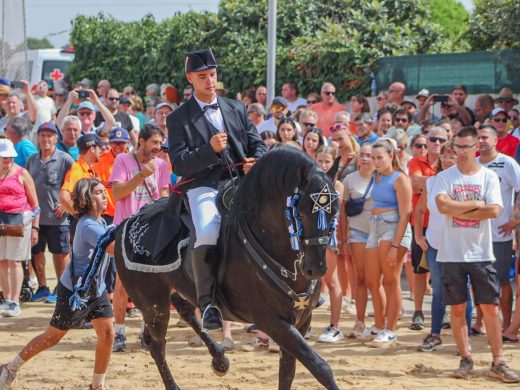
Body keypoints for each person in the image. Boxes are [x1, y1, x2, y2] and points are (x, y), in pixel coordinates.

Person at [167, 48, 267, 330]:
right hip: (204, 185)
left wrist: (255, 160)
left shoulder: (236, 107)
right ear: (190, 78)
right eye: (202, 77)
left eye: (212, 75)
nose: (210, 81)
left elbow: (256, 143)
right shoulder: (178, 118)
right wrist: (208, 150)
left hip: (240, 181)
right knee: (209, 231)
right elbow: (178, 163)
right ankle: (208, 302)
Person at [0, 178, 116, 390]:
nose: (104, 197)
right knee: (52, 337)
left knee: (108, 334)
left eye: (103, 192)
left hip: (95, 290)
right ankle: (10, 368)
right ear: (87, 199)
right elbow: (113, 249)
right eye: (99, 193)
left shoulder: (100, 222)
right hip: (75, 291)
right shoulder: (89, 225)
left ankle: (97, 385)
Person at [432, 126, 518, 383]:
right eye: (457, 146)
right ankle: (465, 357)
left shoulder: (488, 176)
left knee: (490, 308)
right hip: (451, 253)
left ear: (475, 147)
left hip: (480, 252)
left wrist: (459, 210)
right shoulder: (445, 176)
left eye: (465, 146)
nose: (460, 151)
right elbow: (442, 206)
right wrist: (475, 204)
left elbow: (493, 211)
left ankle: (498, 361)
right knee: (458, 309)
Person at [109, 124, 171, 352]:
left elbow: (164, 194)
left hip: (151, 232)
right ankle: (119, 333)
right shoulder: (123, 161)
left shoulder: (162, 165)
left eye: (160, 143)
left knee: (153, 285)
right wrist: (142, 175)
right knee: (123, 284)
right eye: (154, 142)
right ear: (141, 141)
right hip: (125, 230)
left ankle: (147, 332)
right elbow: (117, 193)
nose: (158, 147)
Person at [415, 142, 473, 352]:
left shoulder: (469, 182)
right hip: (435, 244)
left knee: (463, 291)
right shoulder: (432, 182)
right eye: (445, 156)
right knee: (438, 291)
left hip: (461, 246)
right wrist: (419, 235)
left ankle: (464, 341)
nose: (448, 160)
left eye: (452, 156)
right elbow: (420, 210)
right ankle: (435, 334)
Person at [360, 138, 412, 346]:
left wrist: (395, 245)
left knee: (391, 281)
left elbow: (406, 213)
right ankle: (379, 326)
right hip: (375, 227)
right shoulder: (377, 177)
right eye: (373, 157)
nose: (376, 161)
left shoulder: (400, 179)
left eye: (380, 157)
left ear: (392, 156)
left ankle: (390, 329)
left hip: (394, 228)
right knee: (372, 280)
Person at [476, 125, 520, 331]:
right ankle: (480, 322)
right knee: (477, 280)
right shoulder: (473, 164)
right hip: (475, 233)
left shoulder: (507, 163)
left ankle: (508, 325)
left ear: (495, 141)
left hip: (500, 234)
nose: (481, 141)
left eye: (485, 137)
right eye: (478, 138)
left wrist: (515, 218)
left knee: (502, 281)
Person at [26, 122, 74, 304]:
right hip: (36, 218)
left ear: (56, 138)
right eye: (42, 135)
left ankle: (60, 288)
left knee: (60, 253)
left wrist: (66, 204)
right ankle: (42, 287)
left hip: (58, 218)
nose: (45, 139)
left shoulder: (65, 159)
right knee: (36, 253)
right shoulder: (31, 159)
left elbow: (76, 184)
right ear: (38, 138)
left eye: (49, 136)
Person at [408, 127, 447, 331]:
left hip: (445, 225)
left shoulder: (450, 163)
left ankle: (443, 310)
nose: (436, 143)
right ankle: (418, 311)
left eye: (441, 139)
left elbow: (422, 184)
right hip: (421, 224)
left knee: (444, 271)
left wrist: (428, 184)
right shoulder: (416, 161)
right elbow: (415, 184)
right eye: (433, 139)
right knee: (419, 270)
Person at [0, 139, 39, 317]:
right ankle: (6, 299)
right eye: (4, 157)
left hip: (19, 221)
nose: (8, 160)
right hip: (1, 222)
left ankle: (14, 301)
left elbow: (35, 204)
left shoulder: (22, 174)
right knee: (1, 262)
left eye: (10, 157)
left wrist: (35, 227)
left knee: (15, 261)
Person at [340, 143, 375, 339]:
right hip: (357, 233)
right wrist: (343, 238)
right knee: (360, 279)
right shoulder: (349, 179)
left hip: (379, 234)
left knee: (376, 281)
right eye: (361, 154)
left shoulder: (383, 179)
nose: (364, 158)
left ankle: (382, 323)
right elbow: (343, 210)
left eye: (369, 155)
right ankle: (360, 322)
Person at [315, 145, 345, 343]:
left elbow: (332, 211)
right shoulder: (308, 181)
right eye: (320, 161)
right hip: (309, 236)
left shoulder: (338, 185)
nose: (324, 165)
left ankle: (335, 326)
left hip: (329, 236)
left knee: (331, 281)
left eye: (328, 161)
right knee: (310, 281)